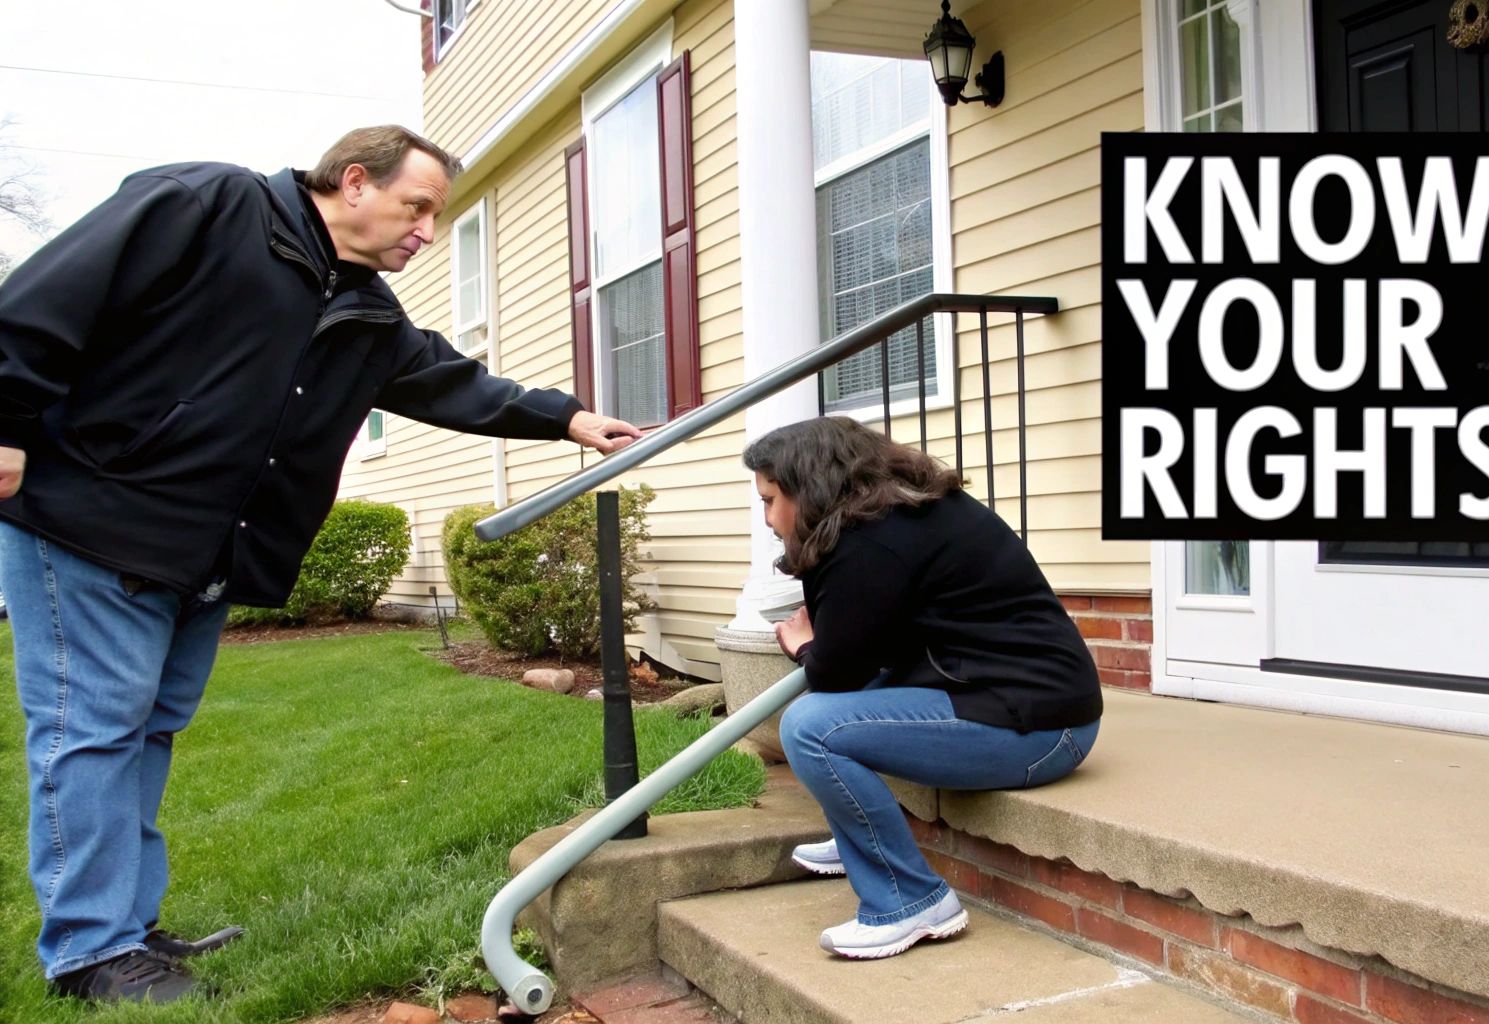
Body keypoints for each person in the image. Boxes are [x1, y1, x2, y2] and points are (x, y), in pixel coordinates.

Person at [0, 125, 644, 1004]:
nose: (426, 230)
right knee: (93, 732)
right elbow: (44, 302)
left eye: (436, 215)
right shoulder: (205, 206)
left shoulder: (364, 309)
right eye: (417, 207)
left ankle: (126, 929)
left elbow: (448, 381)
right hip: (93, 520)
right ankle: (87, 951)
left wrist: (566, 418)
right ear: (353, 182)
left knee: (144, 732)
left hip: (201, 552)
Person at [742, 416, 1103, 960]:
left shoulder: (873, 543)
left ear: (808, 488)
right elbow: (864, 649)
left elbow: (836, 672)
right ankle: (860, 840)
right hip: (1008, 698)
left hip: (1047, 729)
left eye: (771, 499)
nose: (768, 518)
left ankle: (910, 900)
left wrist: (801, 645)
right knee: (838, 709)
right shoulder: (895, 517)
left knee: (812, 727)